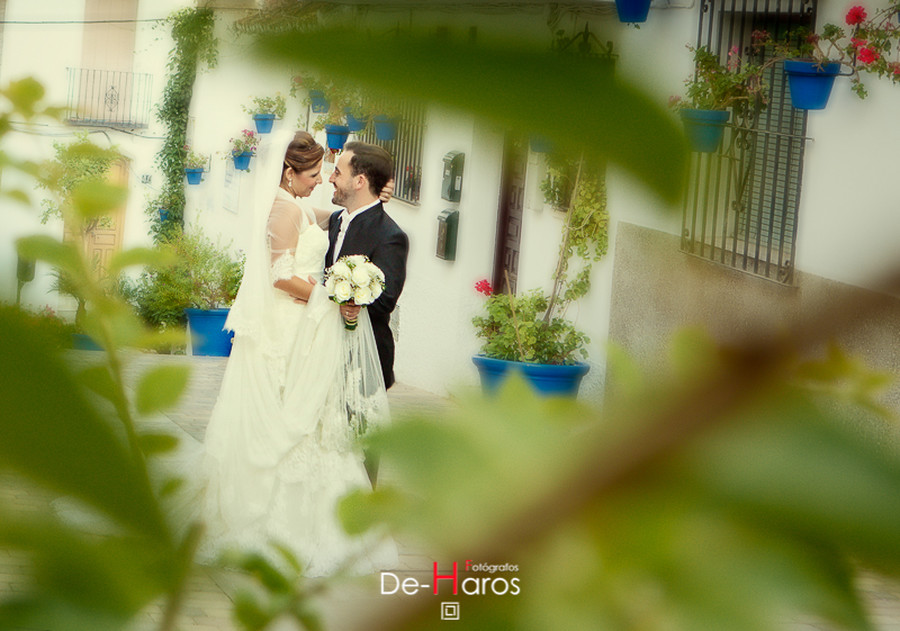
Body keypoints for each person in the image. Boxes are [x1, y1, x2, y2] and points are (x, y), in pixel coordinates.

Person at [198, 130, 397, 577]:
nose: (320, 179)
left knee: (309, 420)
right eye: (312, 174)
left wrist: (378, 191)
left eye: (328, 171)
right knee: (289, 419)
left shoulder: (301, 205)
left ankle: (309, 518)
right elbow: (281, 278)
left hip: (306, 328)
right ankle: (276, 521)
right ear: (289, 173)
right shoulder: (282, 210)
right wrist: (330, 296)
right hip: (289, 327)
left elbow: (336, 217)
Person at [325, 141, 409, 390]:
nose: (331, 178)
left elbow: (385, 299)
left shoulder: (390, 235)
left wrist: (348, 300)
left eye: (338, 172)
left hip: (364, 360)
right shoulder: (335, 220)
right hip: (327, 352)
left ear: (359, 181)